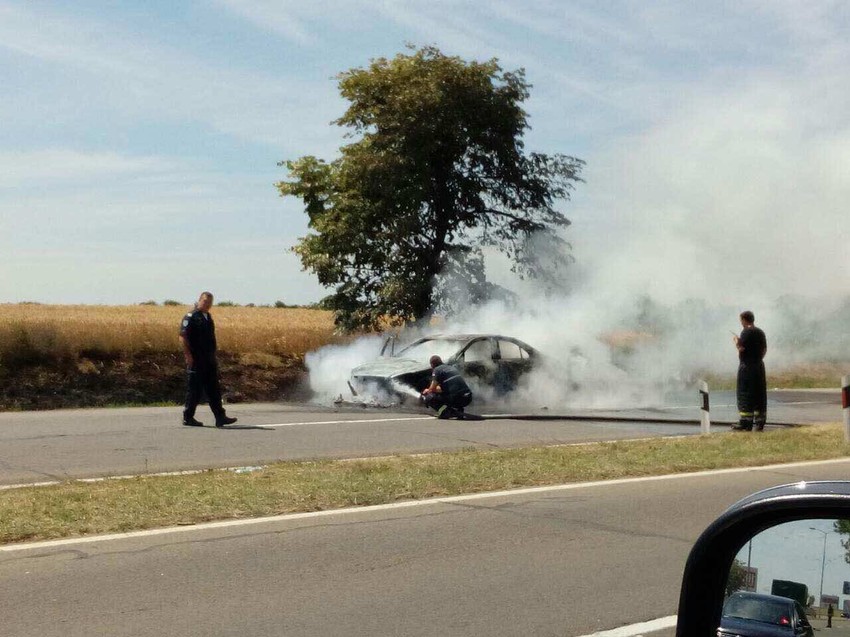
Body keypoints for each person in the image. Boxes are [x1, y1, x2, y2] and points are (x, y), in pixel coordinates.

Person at [179, 291, 237, 427]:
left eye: (210, 302)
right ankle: (188, 417)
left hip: (209, 359)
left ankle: (220, 417)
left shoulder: (208, 317)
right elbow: (182, 336)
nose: (207, 304)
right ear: (199, 300)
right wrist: (188, 355)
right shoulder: (191, 316)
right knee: (195, 390)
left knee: (214, 389)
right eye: (205, 301)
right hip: (197, 358)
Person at [731, 310, 767, 431]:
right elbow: (764, 349)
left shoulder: (746, 332)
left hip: (747, 367)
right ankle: (760, 421)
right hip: (759, 366)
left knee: (745, 393)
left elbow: (741, 349)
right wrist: (758, 359)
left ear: (744, 320)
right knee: (759, 393)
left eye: (741, 320)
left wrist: (736, 341)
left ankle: (745, 422)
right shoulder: (760, 332)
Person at [420, 355, 473, 419]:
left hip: (457, 399)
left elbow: (432, 388)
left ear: (432, 364)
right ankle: (459, 410)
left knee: (429, 396)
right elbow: (445, 388)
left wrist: (426, 391)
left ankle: (444, 413)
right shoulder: (451, 367)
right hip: (467, 398)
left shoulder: (437, 370)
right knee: (451, 393)